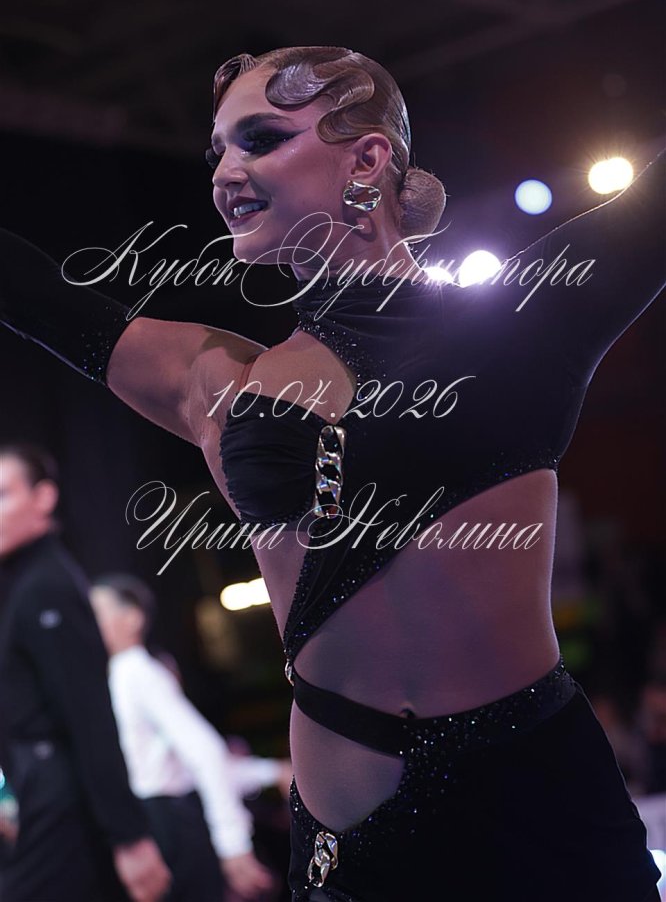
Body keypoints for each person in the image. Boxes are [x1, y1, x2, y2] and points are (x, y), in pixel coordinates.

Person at [0, 45, 664, 900]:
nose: (226, 173)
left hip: (543, 807)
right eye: (218, 152)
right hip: (354, 850)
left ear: (368, 157)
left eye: (260, 138)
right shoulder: (218, 378)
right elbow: (32, 290)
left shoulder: (528, 324)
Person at [0, 443, 172, 902]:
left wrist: (130, 836)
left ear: (43, 497)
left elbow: (88, 715)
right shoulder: (23, 586)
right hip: (40, 792)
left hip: (63, 796)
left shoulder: (48, 586)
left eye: (3, 494)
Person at [89, 573, 288, 901]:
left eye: (97, 613)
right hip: (159, 818)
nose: (90, 623)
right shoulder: (122, 673)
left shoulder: (137, 671)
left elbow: (205, 752)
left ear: (132, 618)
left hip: (168, 821)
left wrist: (232, 843)